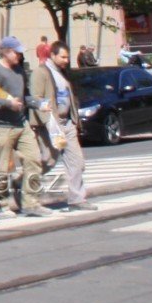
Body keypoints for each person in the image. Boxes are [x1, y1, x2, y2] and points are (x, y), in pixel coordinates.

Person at [0, 37, 48, 217]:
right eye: (16, 52)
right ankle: (1, 205)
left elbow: (24, 96)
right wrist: (7, 104)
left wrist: (37, 104)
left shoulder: (19, 70)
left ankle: (31, 203)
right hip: (0, 126)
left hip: (20, 123)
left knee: (33, 160)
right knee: (2, 168)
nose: (20, 55)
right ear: (5, 52)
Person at [32, 41, 92, 211]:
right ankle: (22, 185)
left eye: (67, 57)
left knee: (76, 162)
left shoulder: (63, 73)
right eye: (63, 57)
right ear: (52, 55)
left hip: (67, 124)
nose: (66, 60)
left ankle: (77, 199)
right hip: (51, 125)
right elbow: (36, 98)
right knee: (47, 161)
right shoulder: (41, 72)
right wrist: (47, 122)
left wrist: (74, 119)